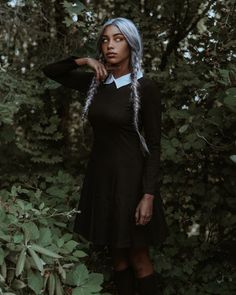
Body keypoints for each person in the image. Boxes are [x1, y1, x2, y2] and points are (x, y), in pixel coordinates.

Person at [42, 17, 168, 295]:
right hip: (101, 180)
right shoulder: (96, 82)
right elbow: (50, 70)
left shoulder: (146, 88)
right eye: (105, 39)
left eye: (118, 39)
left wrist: (147, 195)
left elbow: (155, 146)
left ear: (131, 45)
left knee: (138, 257)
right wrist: (85, 60)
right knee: (118, 257)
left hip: (132, 183)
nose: (110, 45)